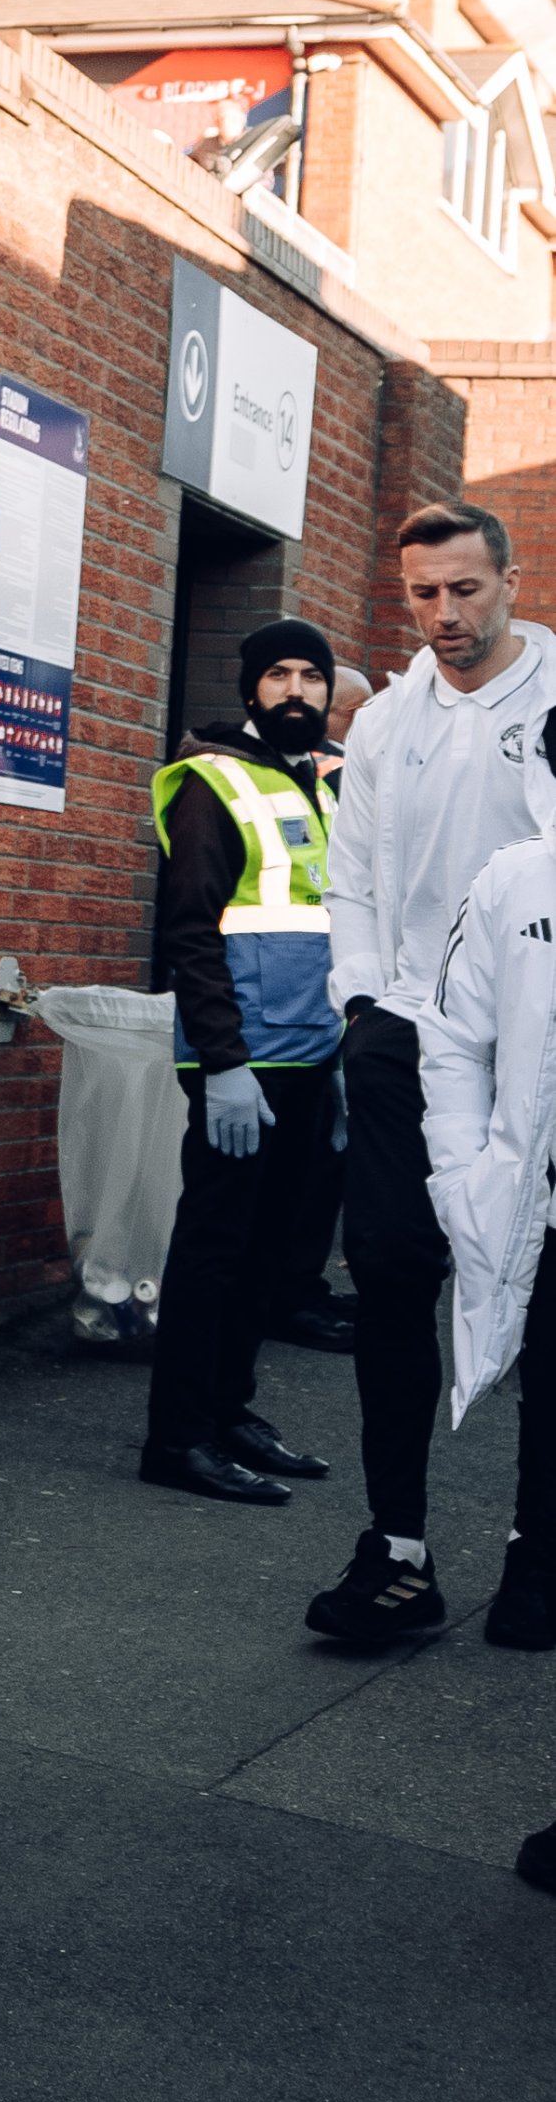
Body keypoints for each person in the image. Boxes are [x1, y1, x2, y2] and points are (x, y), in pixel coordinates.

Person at [307, 500, 556, 1647]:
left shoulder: (553, 697)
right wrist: (362, 998)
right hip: (405, 1034)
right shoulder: (385, 721)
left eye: (464, 589)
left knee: (541, 1296)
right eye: (422, 594)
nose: (444, 614)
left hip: (534, 1041)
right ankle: (396, 1553)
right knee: (395, 1280)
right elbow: (349, 875)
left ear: (509, 580)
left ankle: (537, 1554)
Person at [139, 620, 345, 1500]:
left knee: (269, 1251)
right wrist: (221, 1062)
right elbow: (188, 932)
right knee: (213, 1249)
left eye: (309, 675)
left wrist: (343, 1051)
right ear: (250, 688)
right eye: (277, 675)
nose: (295, 689)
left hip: (309, 1055)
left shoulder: (326, 783)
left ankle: (228, 1411)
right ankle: (176, 1438)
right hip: (241, 1063)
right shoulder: (210, 782)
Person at [406, 716, 556, 1674]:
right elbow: (454, 1037)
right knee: (546, 1391)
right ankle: (533, 1557)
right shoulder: (514, 879)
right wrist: (462, 1171)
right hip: (539, 1196)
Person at [263, 656, 374, 1357]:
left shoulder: (318, 778)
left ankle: (295, 1290)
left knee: (318, 1162)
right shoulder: (330, 779)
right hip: (305, 1007)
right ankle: (292, 1294)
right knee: (311, 1167)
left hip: (318, 1002)